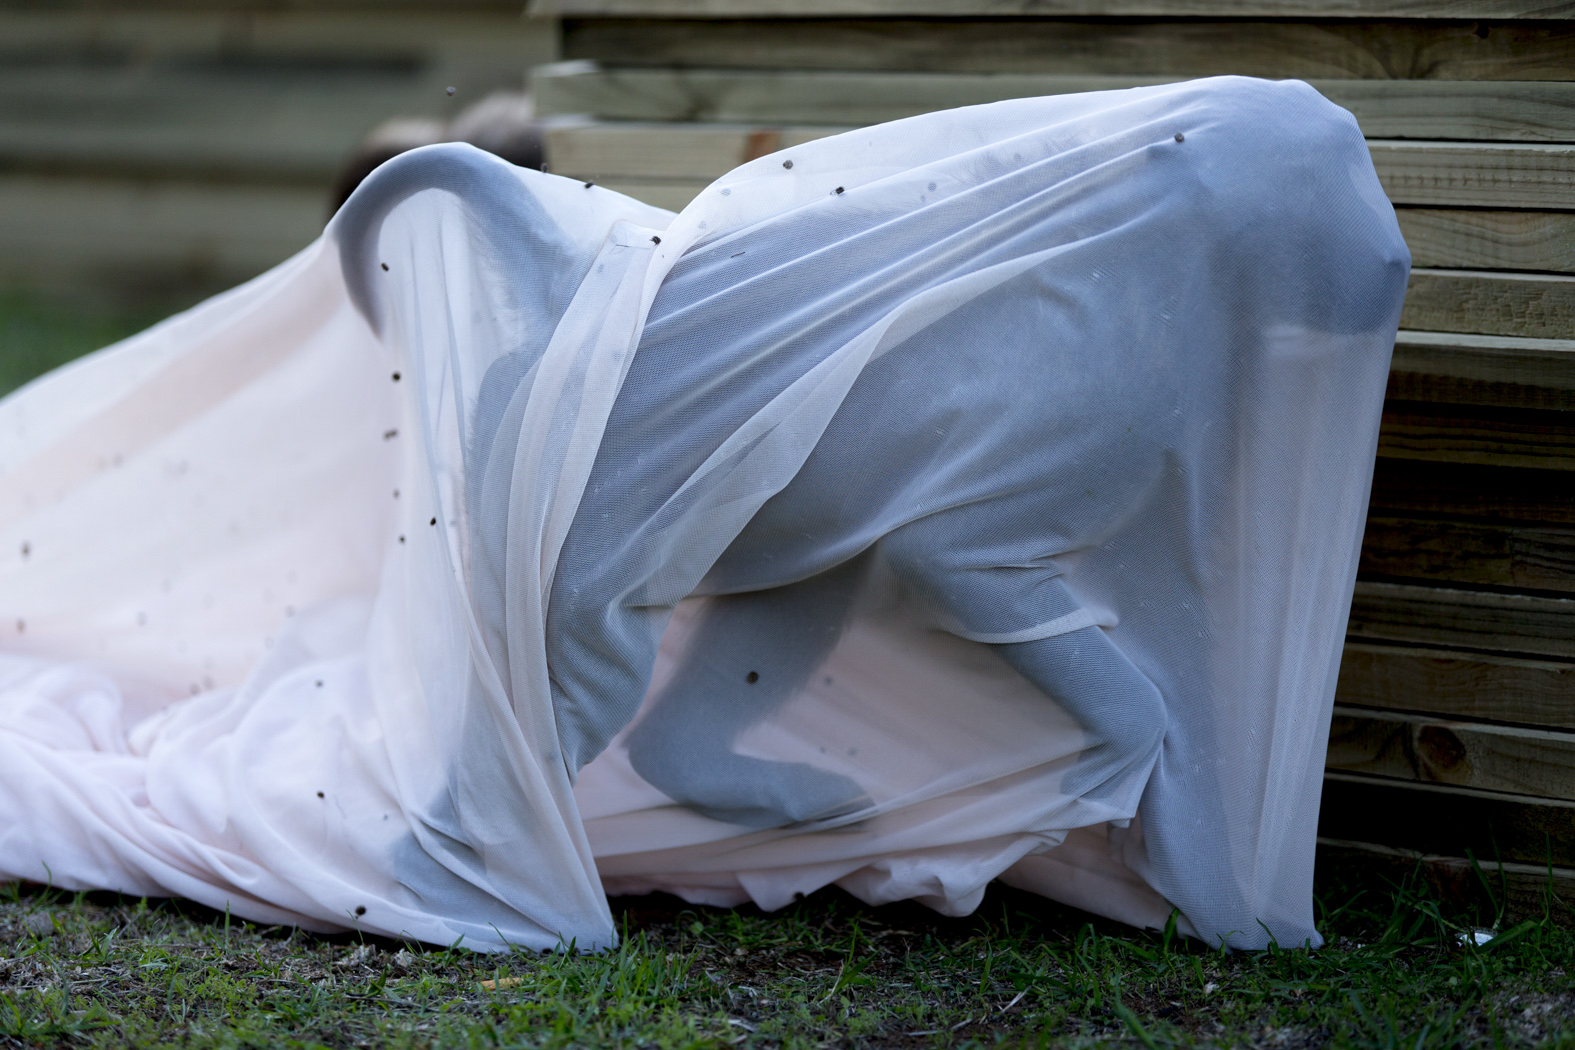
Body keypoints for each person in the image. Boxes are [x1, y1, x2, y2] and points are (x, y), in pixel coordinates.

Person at [0, 76, 1409, 952]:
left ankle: (683, 744)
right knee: (476, 826)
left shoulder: (1097, 307)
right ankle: (481, 804)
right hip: (638, 447)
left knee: (793, 564)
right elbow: (964, 542)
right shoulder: (1092, 315)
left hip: (760, 484)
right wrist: (1118, 708)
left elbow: (949, 512)